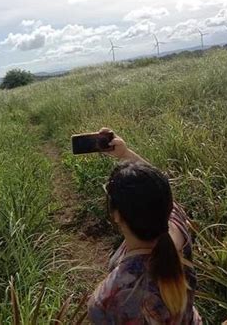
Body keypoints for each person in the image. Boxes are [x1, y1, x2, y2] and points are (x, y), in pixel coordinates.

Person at [88, 128, 202, 324]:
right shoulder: (177, 233)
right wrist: (125, 154)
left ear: (116, 215)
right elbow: (162, 193)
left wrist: (124, 155)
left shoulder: (104, 301)